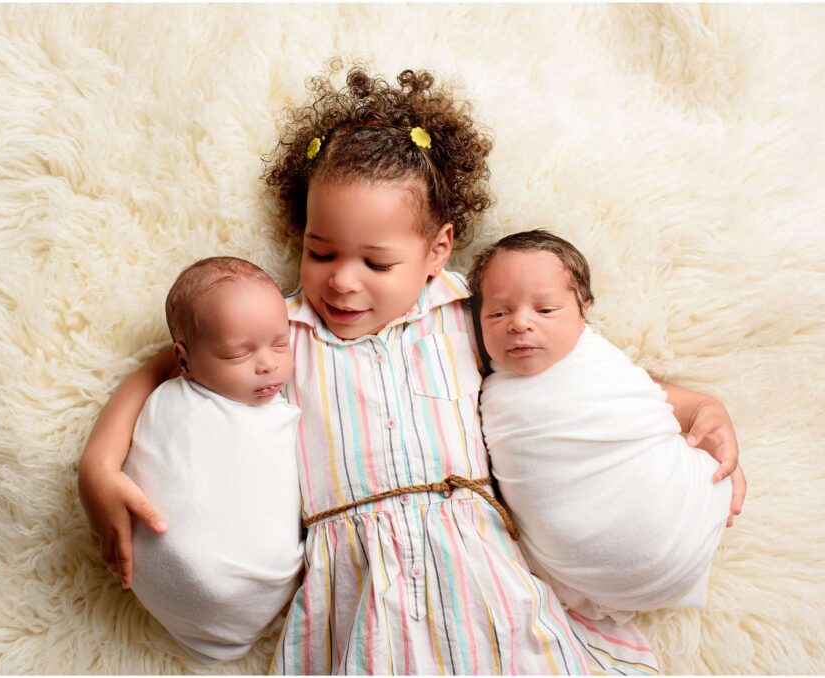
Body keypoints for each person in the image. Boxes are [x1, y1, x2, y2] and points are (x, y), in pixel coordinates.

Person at [79, 65, 745, 674]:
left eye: (376, 263)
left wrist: (694, 408)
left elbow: (575, 374)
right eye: (320, 252)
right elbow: (171, 360)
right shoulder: (279, 333)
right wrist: (99, 466)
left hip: (480, 567)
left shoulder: (468, 316)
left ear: (438, 250)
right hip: (357, 584)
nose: (341, 283)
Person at [468, 229, 745, 625]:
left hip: (684, 527)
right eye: (498, 313)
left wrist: (712, 413)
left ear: (584, 309)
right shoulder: (484, 385)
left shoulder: (601, 363)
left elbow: (682, 405)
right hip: (580, 576)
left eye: (546, 310)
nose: (520, 323)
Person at [120, 256, 303, 661]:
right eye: (239, 354)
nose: (268, 363)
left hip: (255, 591)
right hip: (164, 571)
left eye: (280, 342)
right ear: (184, 360)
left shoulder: (283, 412)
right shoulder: (168, 398)